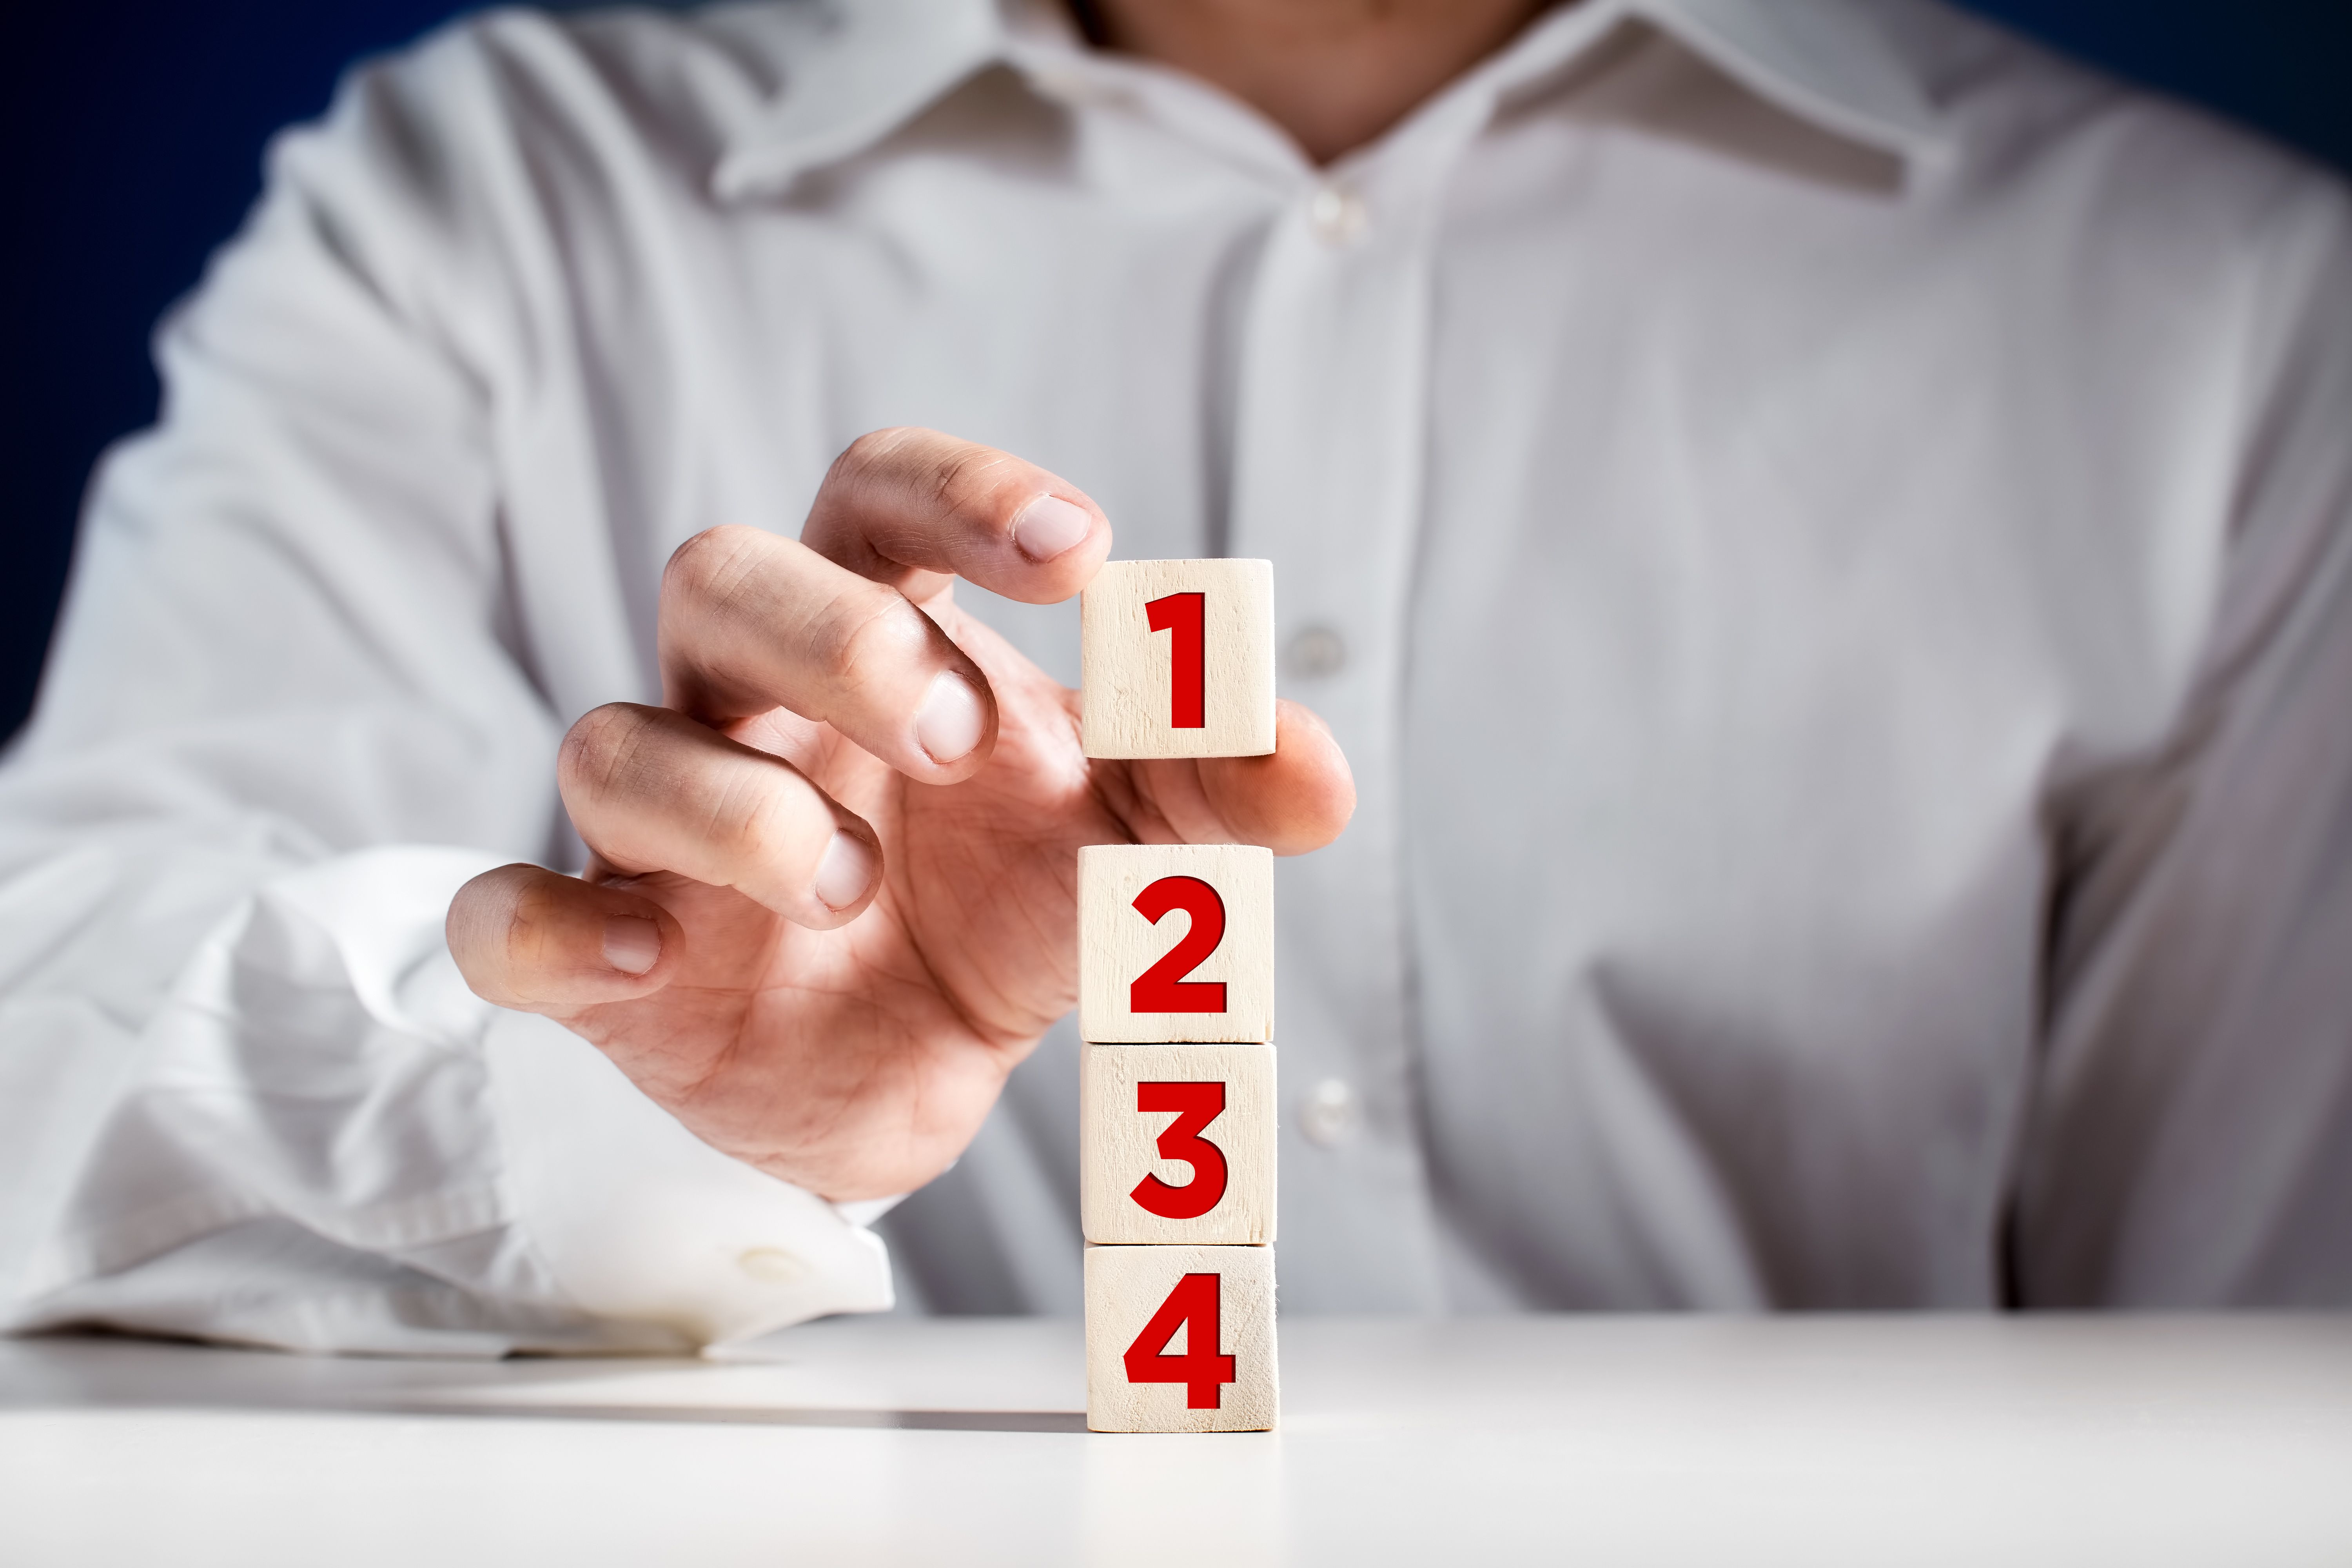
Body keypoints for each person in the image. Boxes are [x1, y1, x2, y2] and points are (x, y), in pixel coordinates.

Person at [2, 0, 2347, 1355]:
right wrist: (623, 1127)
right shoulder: (488, 208)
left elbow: (2279, 1399)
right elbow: (44, 1019)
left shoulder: (2228, 330)